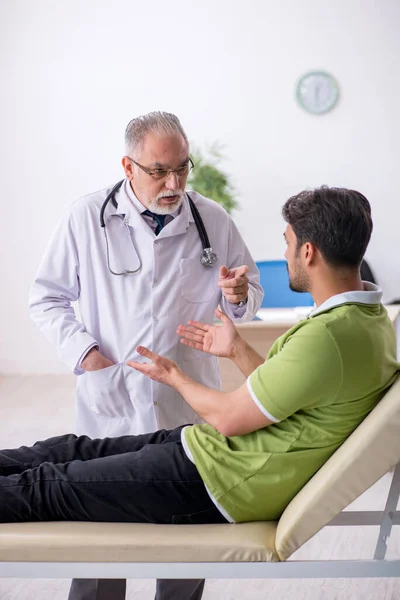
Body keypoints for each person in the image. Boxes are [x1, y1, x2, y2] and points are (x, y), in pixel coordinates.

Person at [4, 187, 397, 555]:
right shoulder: (369, 320)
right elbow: (289, 393)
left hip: (220, 481)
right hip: (213, 454)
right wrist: (237, 349)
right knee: (71, 451)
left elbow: (229, 418)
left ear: (308, 252)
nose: (286, 251)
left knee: (49, 485)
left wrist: (174, 376)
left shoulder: (327, 336)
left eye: (288, 242)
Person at [28, 112, 263, 600]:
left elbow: (247, 298)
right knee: (99, 536)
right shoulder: (86, 217)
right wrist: (88, 355)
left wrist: (237, 294)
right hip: (112, 399)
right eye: (159, 171)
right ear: (128, 166)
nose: (173, 182)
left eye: (182, 167)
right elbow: (46, 297)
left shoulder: (212, 220)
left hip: (188, 401)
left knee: (185, 534)